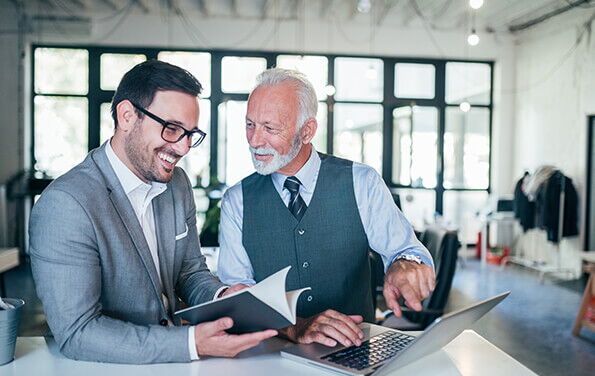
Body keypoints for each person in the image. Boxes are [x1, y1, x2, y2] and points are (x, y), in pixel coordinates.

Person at [29, 60, 277, 364]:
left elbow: (190, 273)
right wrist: (190, 343)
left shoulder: (177, 184)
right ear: (127, 116)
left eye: (190, 134)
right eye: (172, 129)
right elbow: (78, 333)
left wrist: (223, 297)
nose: (184, 148)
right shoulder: (66, 204)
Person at [218, 68, 435, 349]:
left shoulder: (362, 182)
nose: (255, 140)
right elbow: (238, 298)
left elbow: (406, 250)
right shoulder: (237, 200)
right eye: (250, 125)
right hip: (270, 357)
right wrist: (294, 326)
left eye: (270, 128)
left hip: (355, 352)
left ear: (306, 131)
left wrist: (404, 264)